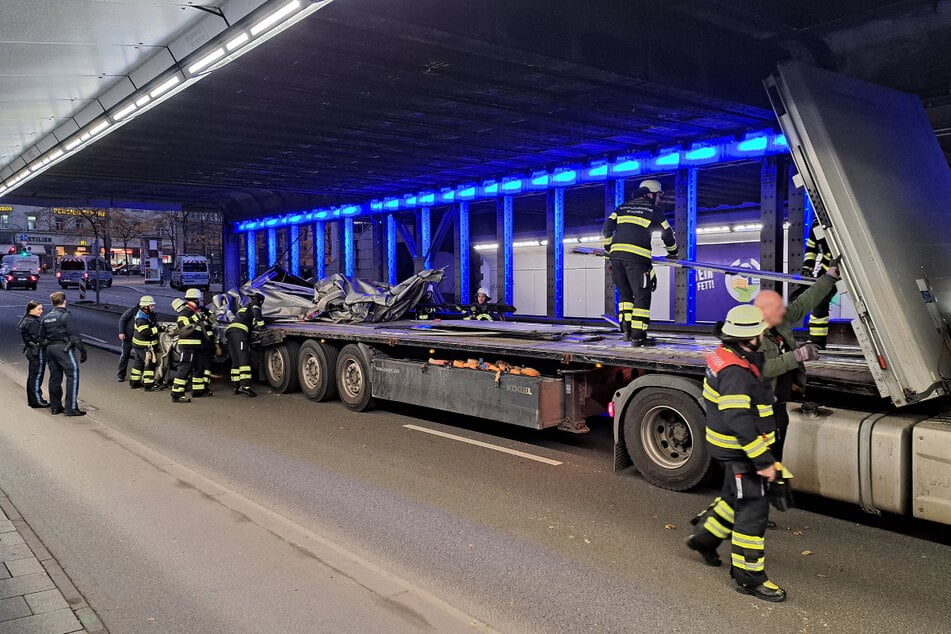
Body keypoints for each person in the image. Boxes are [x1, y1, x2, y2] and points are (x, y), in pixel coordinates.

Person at [686, 304, 784, 602]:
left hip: (731, 447)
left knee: (732, 497)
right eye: (760, 333)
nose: (764, 336)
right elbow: (738, 420)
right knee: (753, 512)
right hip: (743, 451)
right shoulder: (735, 372)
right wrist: (763, 460)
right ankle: (748, 577)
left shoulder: (725, 355)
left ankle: (705, 539)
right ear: (749, 338)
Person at [753, 264, 839, 460]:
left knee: (777, 453)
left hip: (780, 404)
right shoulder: (752, 335)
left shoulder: (779, 321)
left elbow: (804, 303)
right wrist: (797, 356)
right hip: (762, 411)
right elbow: (763, 368)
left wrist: (829, 277)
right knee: (764, 457)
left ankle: (774, 484)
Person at [601, 179, 678, 346]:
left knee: (625, 295)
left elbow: (607, 228)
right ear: (649, 194)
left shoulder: (621, 208)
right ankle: (638, 336)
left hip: (616, 259)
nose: (660, 199)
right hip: (637, 260)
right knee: (642, 296)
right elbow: (667, 234)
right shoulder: (654, 210)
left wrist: (608, 249)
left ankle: (627, 332)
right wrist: (673, 253)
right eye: (658, 195)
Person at [40, 291, 86, 416]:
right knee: (73, 375)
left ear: (52, 302)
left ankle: (55, 406)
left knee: (55, 378)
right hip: (64, 349)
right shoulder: (66, 316)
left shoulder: (46, 317)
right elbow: (75, 337)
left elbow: (41, 337)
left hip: (50, 349)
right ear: (64, 301)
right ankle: (70, 408)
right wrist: (83, 352)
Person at [799, 222, 837, 349]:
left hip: (848, 268)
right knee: (819, 301)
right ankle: (816, 341)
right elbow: (811, 248)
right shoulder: (817, 225)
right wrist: (807, 267)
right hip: (828, 269)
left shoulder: (840, 219)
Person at [226, 291, 265, 397]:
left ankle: (235, 386)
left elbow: (249, 320)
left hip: (230, 332)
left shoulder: (244, 307)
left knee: (235, 360)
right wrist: (262, 326)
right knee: (244, 357)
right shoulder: (255, 303)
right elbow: (257, 314)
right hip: (240, 332)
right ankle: (245, 386)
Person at [169, 297, 204, 403]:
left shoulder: (190, 312)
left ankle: (197, 391)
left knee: (195, 367)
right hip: (188, 346)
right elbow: (183, 325)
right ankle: (177, 394)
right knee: (185, 368)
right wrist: (195, 318)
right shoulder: (185, 313)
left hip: (194, 346)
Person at [18, 300, 49, 408]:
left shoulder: (26, 319)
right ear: (31, 310)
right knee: (36, 377)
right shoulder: (32, 322)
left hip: (31, 351)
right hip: (37, 352)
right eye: (39, 309)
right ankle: (36, 401)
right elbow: (39, 339)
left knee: (32, 376)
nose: (41, 311)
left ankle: (33, 400)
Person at [185, 288, 215, 397]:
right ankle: (198, 390)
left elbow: (211, 320)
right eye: (199, 299)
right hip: (199, 344)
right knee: (199, 367)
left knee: (200, 367)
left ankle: (200, 389)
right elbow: (184, 325)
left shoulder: (200, 310)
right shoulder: (188, 312)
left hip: (202, 344)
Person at [129, 296, 160, 391]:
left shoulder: (146, 315)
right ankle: (148, 385)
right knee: (149, 364)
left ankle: (134, 382)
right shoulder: (141, 319)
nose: (153, 307)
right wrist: (158, 329)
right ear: (145, 307)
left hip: (140, 345)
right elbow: (145, 332)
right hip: (144, 345)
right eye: (151, 306)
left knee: (138, 363)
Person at [116, 303, 137, 381]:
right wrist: (121, 332)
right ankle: (121, 375)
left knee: (139, 358)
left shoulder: (148, 313)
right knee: (124, 356)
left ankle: (137, 376)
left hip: (138, 338)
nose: (152, 307)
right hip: (128, 337)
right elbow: (122, 319)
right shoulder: (132, 311)